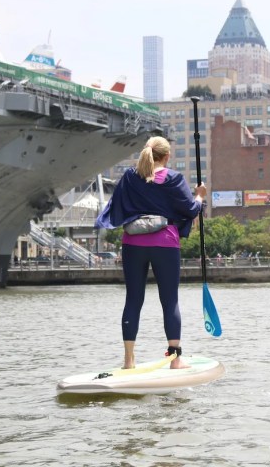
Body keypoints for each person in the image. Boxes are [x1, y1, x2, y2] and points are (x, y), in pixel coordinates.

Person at [95, 136, 206, 369]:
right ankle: (175, 360)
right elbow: (190, 209)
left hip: (133, 243)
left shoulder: (129, 177)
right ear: (166, 156)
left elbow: (117, 205)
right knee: (170, 301)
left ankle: (128, 361)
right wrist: (200, 196)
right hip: (165, 243)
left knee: (133, 300)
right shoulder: (174, 178)